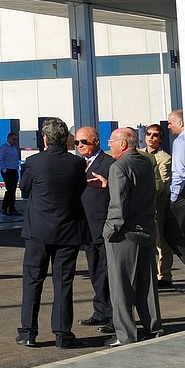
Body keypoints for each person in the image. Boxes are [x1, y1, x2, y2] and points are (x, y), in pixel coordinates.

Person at [16, 118, 89, 349]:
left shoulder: (34, 161)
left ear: (45, 138)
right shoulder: (77, 163)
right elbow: (80, 188)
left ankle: (28, 332)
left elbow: (24, 188)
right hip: (68, 229)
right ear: (65, 138)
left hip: (38, 231)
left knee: (32, 281)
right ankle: (62, 334)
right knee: (63, 282)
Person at [98, 127, 163, 347]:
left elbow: (118, 205)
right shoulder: (146, 161)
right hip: (146, 230)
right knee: (147, 285)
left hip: (124, 234)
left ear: (123, 144)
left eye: (112, 141)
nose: (109, 145)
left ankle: (125, 334)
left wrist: (109, 230)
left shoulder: (118, 167)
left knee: (121, 286)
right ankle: (153, 327)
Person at [75, 126, 114, 332]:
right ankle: (100, 311)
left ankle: (113, 315)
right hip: (85, 225)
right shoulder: (77, 164)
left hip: (102, 223)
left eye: (84, 142)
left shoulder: (109, 163)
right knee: (95, 271)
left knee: (107, 271)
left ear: (96, 142)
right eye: (77, 142)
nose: (80, 146)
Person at [162, 110, 185, 282]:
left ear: (181, 123)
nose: (168, 126)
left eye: (170, 123)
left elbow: (180, 172)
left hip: (182, 194)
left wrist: (173, 197)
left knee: (172, 233)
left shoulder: (180, 142)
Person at [139, 124, 174, 288]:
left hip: (158, 203)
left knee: (161, 241)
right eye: (148, 134)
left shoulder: (164, 158)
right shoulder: (139, 153)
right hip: (142, 204)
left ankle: (164, 275)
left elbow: (162, 183)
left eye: (155, 135)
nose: (151, 137)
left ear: (160, 139)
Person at [0, 132, 21, 216]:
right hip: (7, 170)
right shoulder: (4, 148)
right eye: (14, 139)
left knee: (13, 190)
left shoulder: (14, 148)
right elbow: (0, 159)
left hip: (14, 170)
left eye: (16, 139)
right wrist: (4, 170)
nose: (15, 141)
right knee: (10, 190)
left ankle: (12, 209)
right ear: (9, 138)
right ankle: (4, 208)